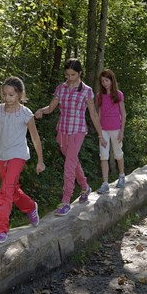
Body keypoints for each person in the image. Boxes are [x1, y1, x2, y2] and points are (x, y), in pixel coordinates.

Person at [0, 76, 45, 244]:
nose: (7, 98)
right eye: (5, 94)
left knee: (5, 191)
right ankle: (30, 207)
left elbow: (35, 138)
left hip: (18, 155)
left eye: (11, 95)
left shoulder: (26, 114)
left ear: (20, 94)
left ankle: (0, 230)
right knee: (12, 191)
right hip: (2, 154)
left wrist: (40, 160)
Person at [34, 58, 106, 216]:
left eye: (73, 75)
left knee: (69, 164)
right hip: (62, 131)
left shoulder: (86, 91)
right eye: (67, 75)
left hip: (78, 130)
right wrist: (41, 110)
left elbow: (93, 114)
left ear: (80, 73)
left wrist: (100, 134)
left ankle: (66, 200)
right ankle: (85, 186)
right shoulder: (60, 88)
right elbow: (51, 108)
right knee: (73, 161)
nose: (69, 78)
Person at [95, 69, 126, 194]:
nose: (104, 83)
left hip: (116, 129)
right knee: (103, 156)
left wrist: (122, 131)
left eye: (106, 80)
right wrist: (99, 134)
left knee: (118, 154)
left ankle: (122, 176)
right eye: (102, 81)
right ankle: (105, 183)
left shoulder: (118, 95)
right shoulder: (99, 97)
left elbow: (123, 114)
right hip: (103, 130)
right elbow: (99, 115)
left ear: (112, 80)